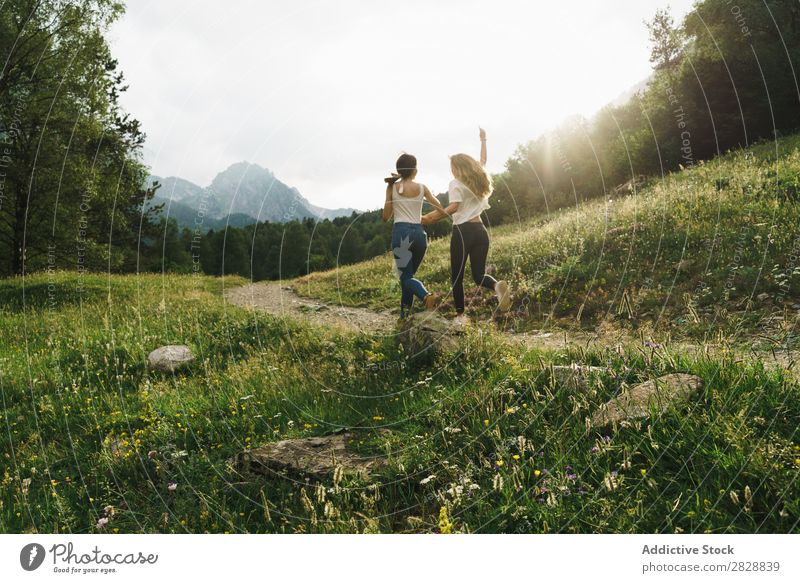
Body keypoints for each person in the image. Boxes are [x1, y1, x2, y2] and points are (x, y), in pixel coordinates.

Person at [422, 128, 511, 324]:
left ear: (457, 168)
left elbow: (454, 207)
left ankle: (461, 316)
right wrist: (484, 140)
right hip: (481, 231)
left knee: (457, 277)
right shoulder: (477, 178)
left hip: (463, 232)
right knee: (479, 275)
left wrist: (430, 218)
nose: (451, 170)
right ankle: (496, 286)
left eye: (452, 166)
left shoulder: (455, 183)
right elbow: (483, 161)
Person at [383, 152, 449, 318]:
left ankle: (426, 296)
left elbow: (385, 217)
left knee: (405, 277)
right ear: (414, 170)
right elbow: (441, 209)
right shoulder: (422, 187)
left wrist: (389, 189)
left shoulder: (393, 188)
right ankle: (404, 317)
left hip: (401, 234)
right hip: (420, 235)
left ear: (399, 170)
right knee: (408, 278)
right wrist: (427, 219)